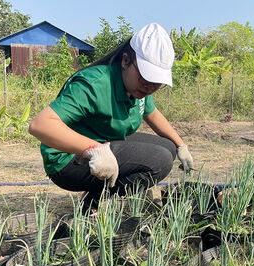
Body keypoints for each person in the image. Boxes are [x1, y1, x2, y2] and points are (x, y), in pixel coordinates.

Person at [29, 23, 193, 211]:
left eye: (156, 84)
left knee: (168, 147)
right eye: (145, 79)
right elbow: (40, 125)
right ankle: (92, 201)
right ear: (125, 61)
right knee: (160, 160)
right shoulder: (94, 84)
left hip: (103, 141)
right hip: (68, 160)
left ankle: (100, 192)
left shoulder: (137, 89)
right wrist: (93, 149)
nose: (149, 87)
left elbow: (152, 114)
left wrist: (181, 145)